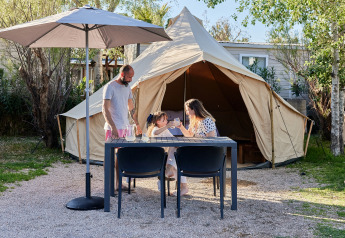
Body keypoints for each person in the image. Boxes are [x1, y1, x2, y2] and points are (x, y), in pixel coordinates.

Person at [102, 64, 142, 191]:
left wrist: (137, 124)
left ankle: (119, 184)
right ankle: (109, 183)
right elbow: (105, 109)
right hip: (112, 127)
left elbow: (131, 107)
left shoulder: (128, 87)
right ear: (122, 74)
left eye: (132, 77)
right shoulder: (110, 87)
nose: (131, 79)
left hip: (124, 127)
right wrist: (112, 126)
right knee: (109, 156)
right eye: (129, 77)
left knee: (121, 156)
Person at [147, 111, 189, 196]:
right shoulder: (155, 129)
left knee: (176, 155)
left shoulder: (165, 130)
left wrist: (178, 145)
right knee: (175, 159)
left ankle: (169, 171)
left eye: (166, 120)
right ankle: (183, 186)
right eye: (164, 120)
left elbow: (173, 138)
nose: (166, 121)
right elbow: (156, 133)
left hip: (164, 157)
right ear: (158, 122)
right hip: (156, 157)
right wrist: (167, 126)